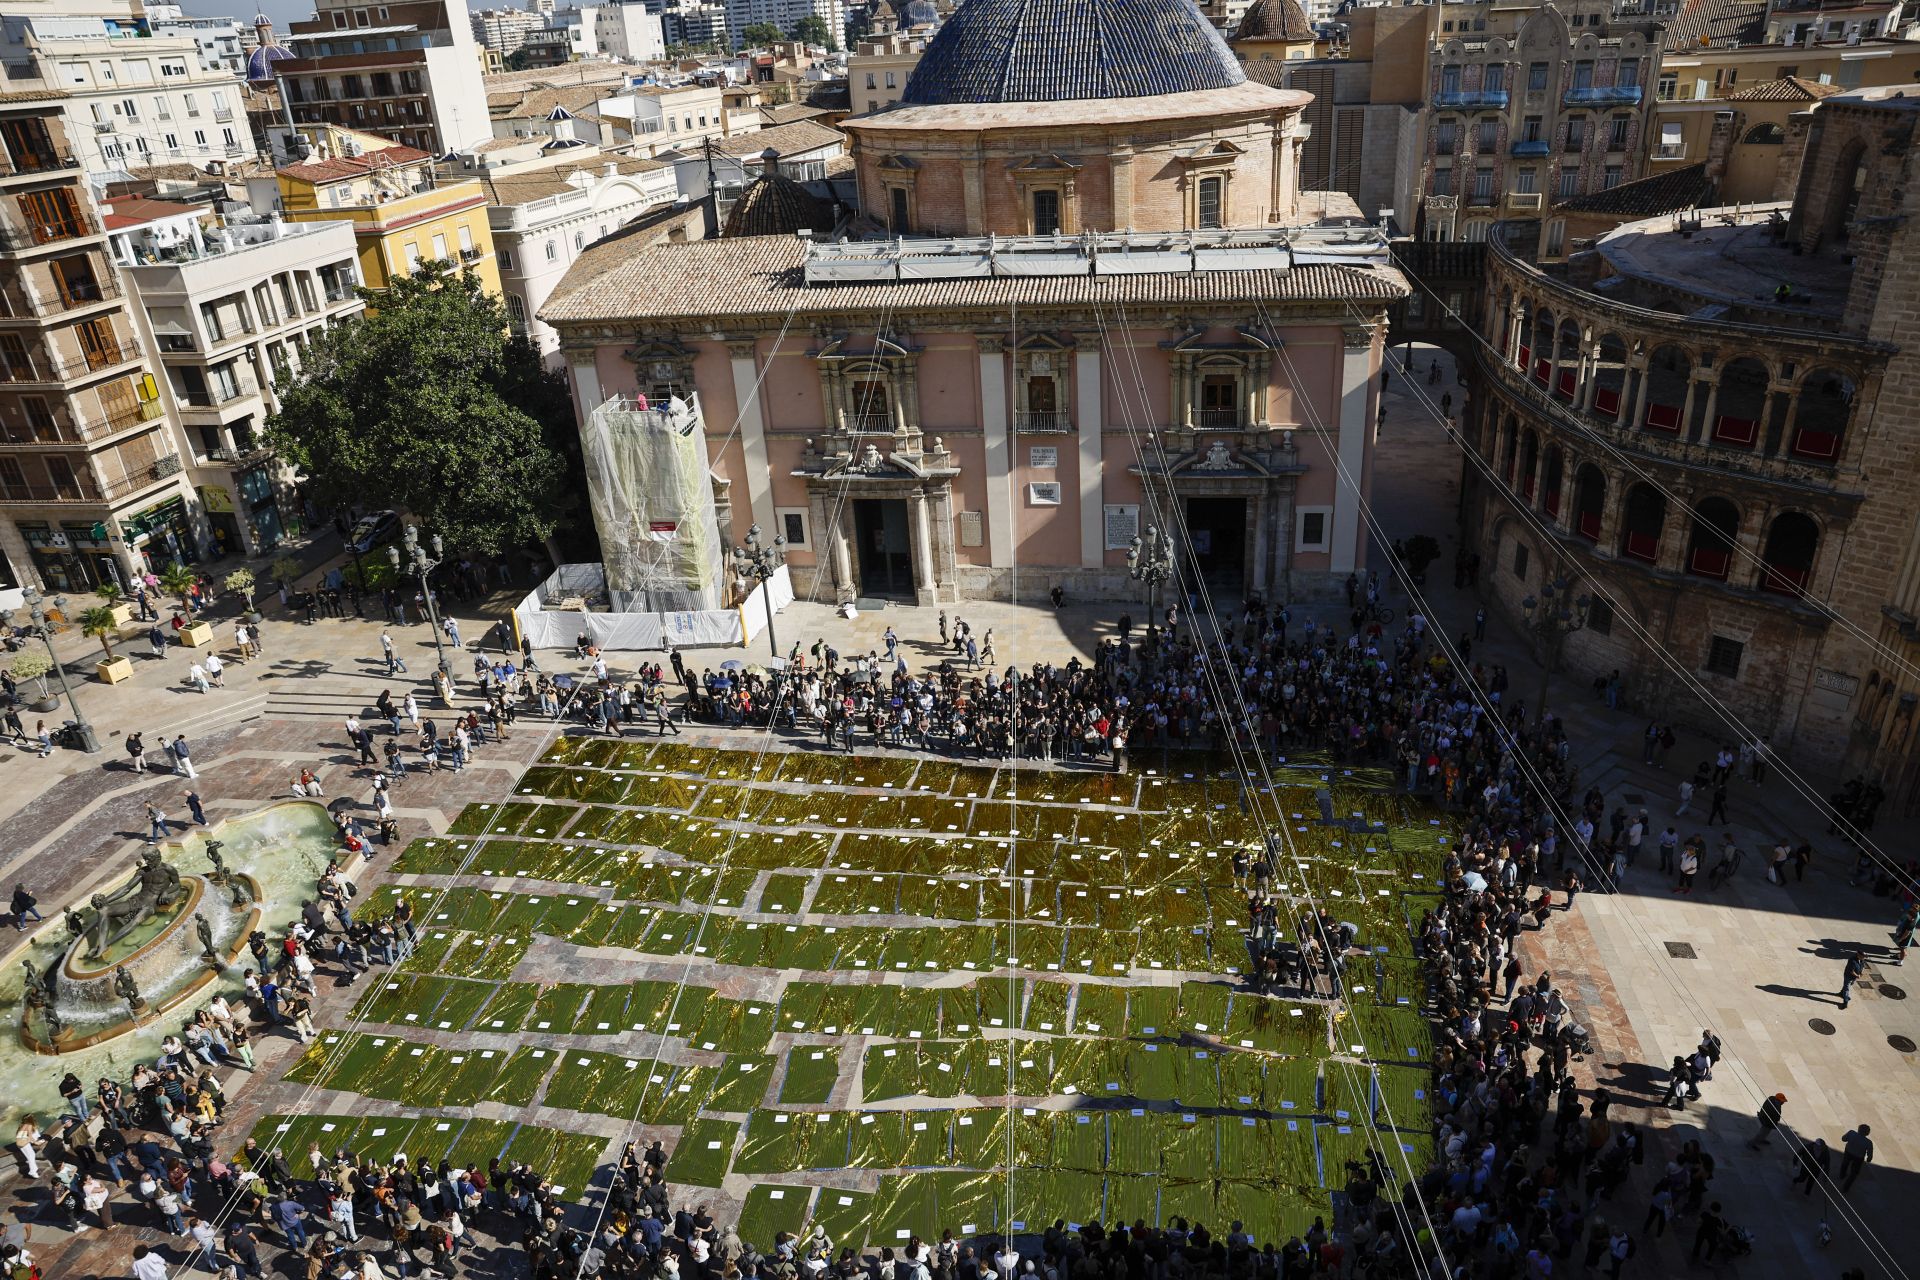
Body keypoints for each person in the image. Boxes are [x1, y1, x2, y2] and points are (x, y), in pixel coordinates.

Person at [1839, 1124, 1873, 1191]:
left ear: (1858, 1129)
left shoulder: (1851, 1133)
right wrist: (1869, 1158)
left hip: (1848, 1152)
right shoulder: (1868, 1142)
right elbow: (1870, 1153)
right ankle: (1845, 1187)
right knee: (1854, 1173)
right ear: (1867, 1133)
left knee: (1845, 1163)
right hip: (1858, 1158)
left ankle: (1842, 1175)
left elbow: (1843, 1139)